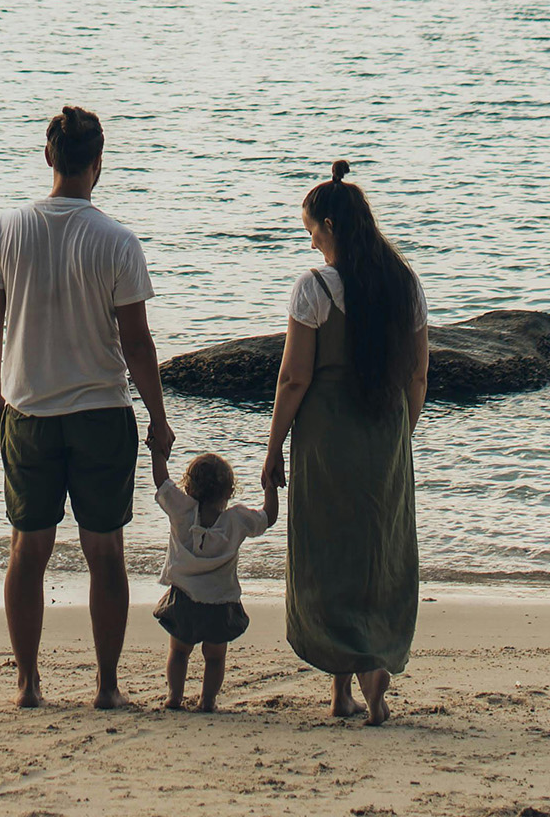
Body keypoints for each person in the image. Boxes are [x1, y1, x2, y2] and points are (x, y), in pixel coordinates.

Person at [0, 106, 175, 710]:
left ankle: (28, 684)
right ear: (97, 163)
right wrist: (159, 417)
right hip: (100, 413)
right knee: (105, 552)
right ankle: (107, 686)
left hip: (29, 410)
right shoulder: (116, 239)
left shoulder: (7, 229)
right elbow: (137, 343)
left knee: (27, 550)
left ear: (48, 158)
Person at [262, 160, 429, 726]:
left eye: (310, 227)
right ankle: (372, 676)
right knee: (377, 552)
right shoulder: (404, 284)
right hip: (385, 429)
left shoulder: (313, 289)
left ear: (329, 223)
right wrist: (401, 434)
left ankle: (341, 690)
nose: (309, 237)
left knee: (329, 553)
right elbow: (418, 377)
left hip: (326, 436)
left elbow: (293, 378)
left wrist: (272, 448)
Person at [151, 451, 274, 713]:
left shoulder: (182, 511)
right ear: (230, 490)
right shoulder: (237, 520)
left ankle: (174, 696)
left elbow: (161, 482)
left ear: (189, 486)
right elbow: (269, 517)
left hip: (183, 599)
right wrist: (270, 484)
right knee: (215, 657)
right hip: (220, 602)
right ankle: (207, 700)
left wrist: (157, 451)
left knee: (179, 651)